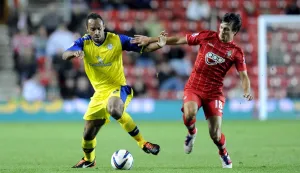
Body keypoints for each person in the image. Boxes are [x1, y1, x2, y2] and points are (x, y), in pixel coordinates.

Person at [131, 13, 253, 168]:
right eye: (221, 27)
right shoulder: (207, 36)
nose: (222, 31)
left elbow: (244, 75)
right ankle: (191, 133)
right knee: (189, 114)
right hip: (194, 86)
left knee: (215, 135)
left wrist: (246, 90)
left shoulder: (236, 52)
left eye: (226, 29)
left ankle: (223, 152)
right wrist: (151, 39)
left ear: (234, 32)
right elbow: (180, 39)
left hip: (214, 93)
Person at [62, 13, 167, 168]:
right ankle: (89, 160)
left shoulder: (117, 40)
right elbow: (65, 54)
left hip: (118, 88)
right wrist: (73, 53)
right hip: (99, 94)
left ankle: (143, 143)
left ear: (104, 27)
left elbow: (143, 47)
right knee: (88, 134)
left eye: (99, 28)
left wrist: (159, 44)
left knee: (114, 109)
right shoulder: (83, 42)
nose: (96, 32)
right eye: (93, 29)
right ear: (87, 29)